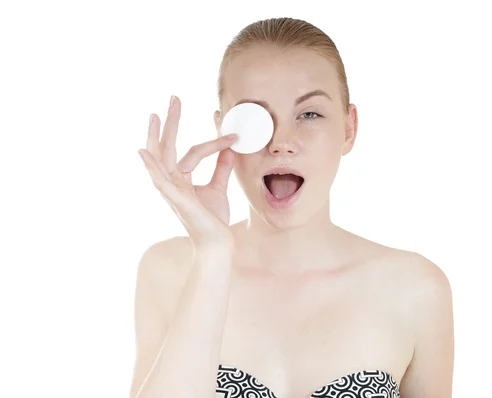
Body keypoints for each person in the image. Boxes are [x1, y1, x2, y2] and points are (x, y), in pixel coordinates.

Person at [132, 17, 454, 398]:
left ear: (349, 128)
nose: (281, 142)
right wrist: (212, 254)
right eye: (255, 119)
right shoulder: (171, 270)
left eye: (309, 114)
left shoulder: (416, 288)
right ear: (223, 133)